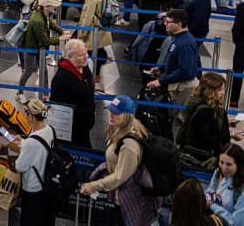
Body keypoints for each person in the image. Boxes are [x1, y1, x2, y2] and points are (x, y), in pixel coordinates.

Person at [79, 95, 161, 225]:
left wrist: (94, 185)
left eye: (116, 112)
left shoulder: (129, 145)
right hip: (122, 198)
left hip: (130, 204)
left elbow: (119, 176)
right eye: (111, 110)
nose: (111, 115)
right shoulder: (120, 131)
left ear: (127, 116)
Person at [13, 98, 56, 226]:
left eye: (26, 114)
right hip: (47, 185)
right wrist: (23, 142)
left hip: (32, 188)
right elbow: (39, 147)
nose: (24, 117)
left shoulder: (31, 142)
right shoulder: (49, 129)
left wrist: (24, 146)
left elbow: (19, 167)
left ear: (31, 117)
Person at [147, 9, 200, 107]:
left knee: (177, 115)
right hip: (178, 86)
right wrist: (161, 69)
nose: (165, 24)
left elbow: (185, 71)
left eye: (168, 22)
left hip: (183, 89)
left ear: (179, 24)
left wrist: (160, 81)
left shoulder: (185, 43)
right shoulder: (178, 39)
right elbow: (176, 62)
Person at [19, 0, 70, 94]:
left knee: (44, 71)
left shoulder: (43, 14)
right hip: (32, 47)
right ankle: (19, 92)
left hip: (39, 47)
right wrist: (60, 38)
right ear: (46, 7)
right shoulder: (37, 20)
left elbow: (50, 24)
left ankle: (45, 93)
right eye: (52, 5)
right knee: (28, 71)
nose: (55, 7)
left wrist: (62, 31)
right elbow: (45, 41)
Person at [49, 39, 95, 148]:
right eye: (80, 55)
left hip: (84, 127)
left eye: (86, 53)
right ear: (69, 57)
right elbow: (59, 109)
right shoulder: (61, 78)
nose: (85, 57)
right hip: (72, 133)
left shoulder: (84, 67)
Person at [177, 73, 230, 164]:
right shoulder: (206, 111)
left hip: (189, 154)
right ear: (210, 91)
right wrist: (226, 133)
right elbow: (204, 138)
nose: (223, 93)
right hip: (205, 159)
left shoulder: (193, 103)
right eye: (220, 90)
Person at [77, 0, 113, 88]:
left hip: (92, 30)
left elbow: (88, 15)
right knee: (97, 49)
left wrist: (83, 32)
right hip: (98, 29)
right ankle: (95, 74)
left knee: (91, 51)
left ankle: (93, 76)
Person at [205, 143, 244, 225]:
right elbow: (210, 191)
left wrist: (212, 206)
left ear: (239, 165)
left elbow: (236, 223)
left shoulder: (241, 190)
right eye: (221, 162)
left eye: (229, 164)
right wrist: (208, 198)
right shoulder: (219, 172)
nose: (224, 168)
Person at [233, 2, 244, 107]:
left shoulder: (242, 7)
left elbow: (237, 27)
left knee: (238, 71)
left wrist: (237, 42)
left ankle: (233, 100)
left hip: (242, 46)